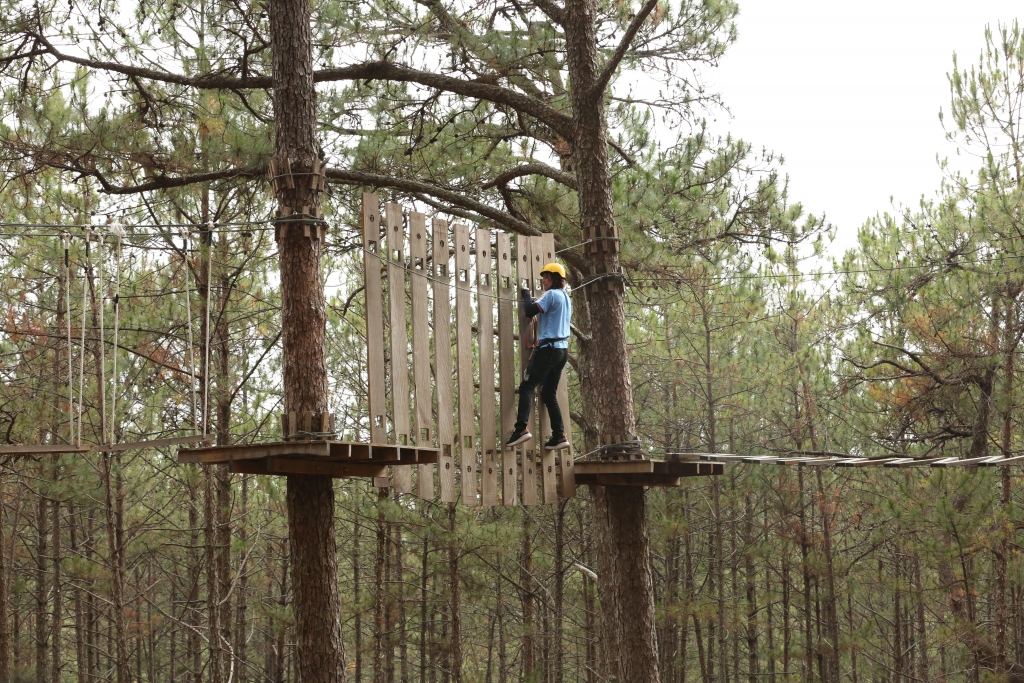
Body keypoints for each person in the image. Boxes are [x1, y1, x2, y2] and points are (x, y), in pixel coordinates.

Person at [506, 262, 572, 450]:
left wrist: (526, 294)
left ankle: (521, 429)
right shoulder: (565, 298)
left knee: (527, 386)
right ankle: (559, 436)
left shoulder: (551, 295)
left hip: (548, 349)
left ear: (556, 279)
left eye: (547, 277)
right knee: (548, 393)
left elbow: (529, 311)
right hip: (561, 351)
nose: (543, 280)